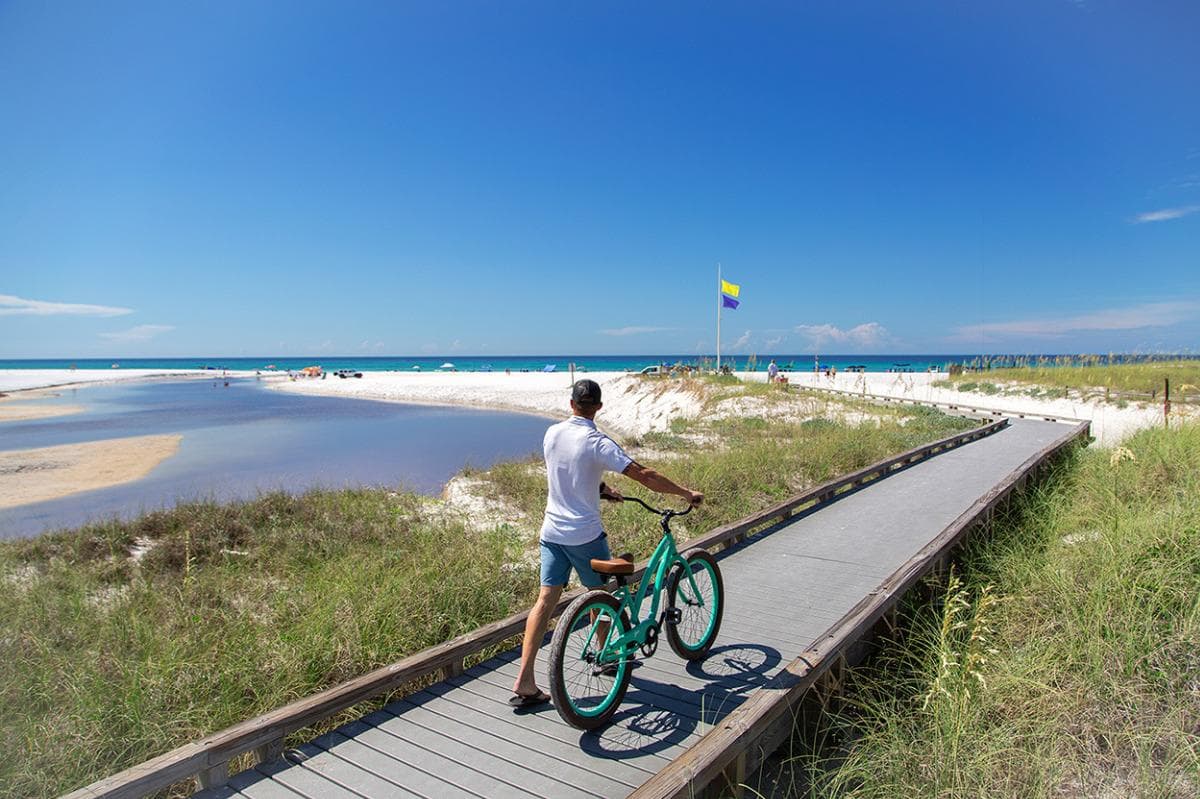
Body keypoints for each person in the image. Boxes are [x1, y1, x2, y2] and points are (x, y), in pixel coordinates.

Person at [509, 379, 704, 707]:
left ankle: (524, 680)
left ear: (571, 404)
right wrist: (686, 493)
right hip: (584, 536)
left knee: (544, 602)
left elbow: (567, 472)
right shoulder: (598, 442)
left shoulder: (552, 434)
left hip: (552, 534)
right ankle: (606, 655)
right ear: (598, 407)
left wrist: (599, 489)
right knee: (603, 595)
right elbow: (644, 475)